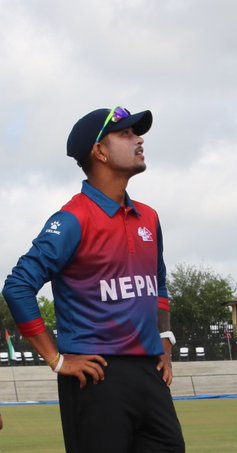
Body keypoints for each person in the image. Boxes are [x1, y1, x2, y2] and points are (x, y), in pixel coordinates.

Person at [1, 106, 185, 452]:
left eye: (137, 133)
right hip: (96, 375)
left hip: (150, 374)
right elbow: (17, 287)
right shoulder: (72, 219)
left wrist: (165, 339)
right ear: (99, 151)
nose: (139, 139)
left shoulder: (149, 217)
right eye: (126, 134)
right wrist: (56, 359)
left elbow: (158, 284)